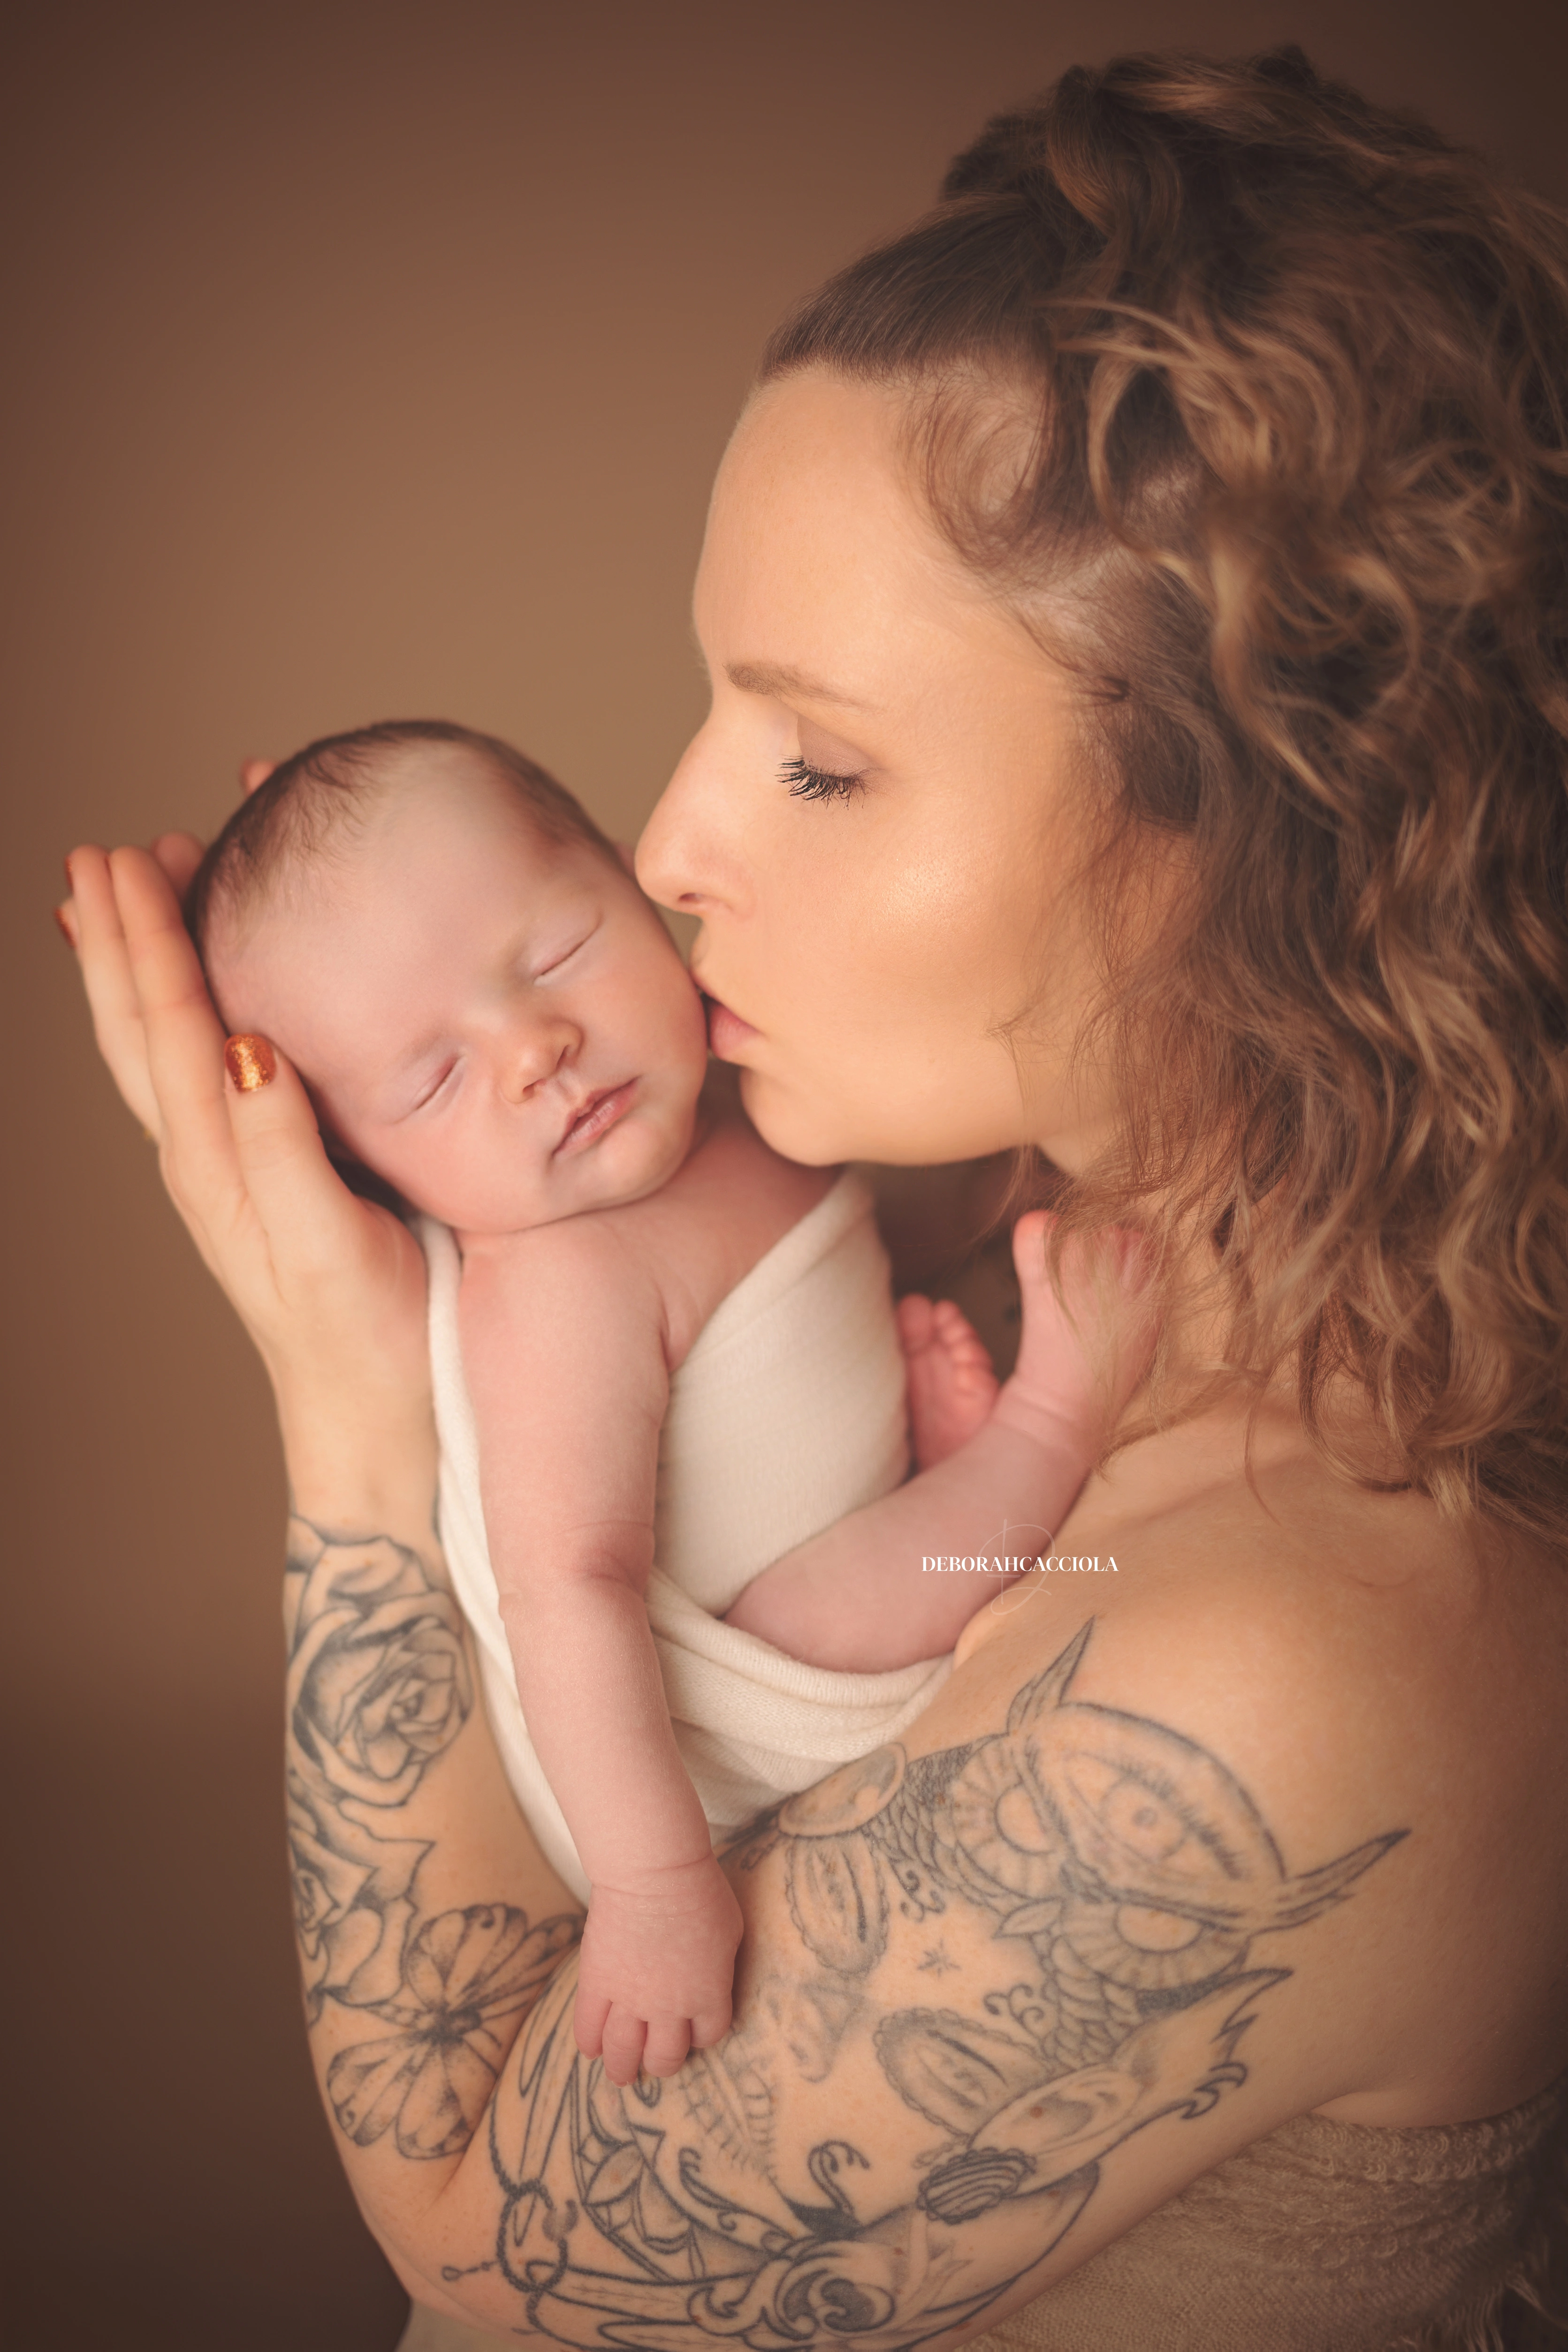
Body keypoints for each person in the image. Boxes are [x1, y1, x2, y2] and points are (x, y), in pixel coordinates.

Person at [60, 43, 1568, 2352]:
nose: (664, 849)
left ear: (1261, 819)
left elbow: (491, 2242)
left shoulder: (1306, 1656)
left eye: (818, 757)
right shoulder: (943, 1235)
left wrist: (353, 1403)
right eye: (703, 708)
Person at [188, 715, 1153, 2085]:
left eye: (555, 953)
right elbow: (568, 1584)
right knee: (812, 1602)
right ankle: (1045, 1425)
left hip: (812, 1533)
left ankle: (930, 1479)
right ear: (364, 1169)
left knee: (860, 1516)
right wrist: (650, 1888)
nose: (533, 1047)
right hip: (695, 1734)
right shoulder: (556, 1284)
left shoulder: (744, 1100)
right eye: (432, 1077)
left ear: (639, 891)